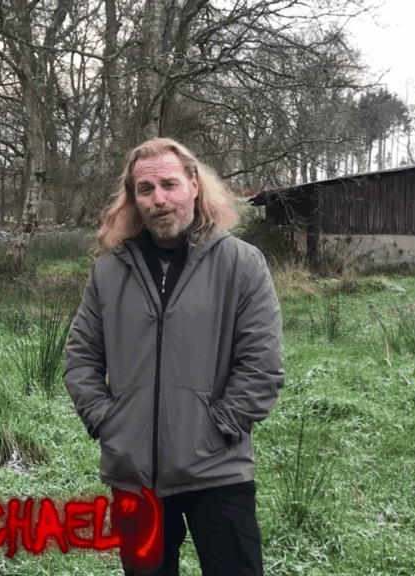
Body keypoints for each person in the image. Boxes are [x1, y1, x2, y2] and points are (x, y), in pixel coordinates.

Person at [64, 137, 285, 575]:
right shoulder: (108, 272)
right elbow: (81, 357)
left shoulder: (242, 264)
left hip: (219, 472)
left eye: (169, 184)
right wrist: (111, 423)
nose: (158, 200)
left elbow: (262, 364)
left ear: (194, 186)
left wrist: (218, 427)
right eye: (145, 190)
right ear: (134, 199)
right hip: (135, 479)